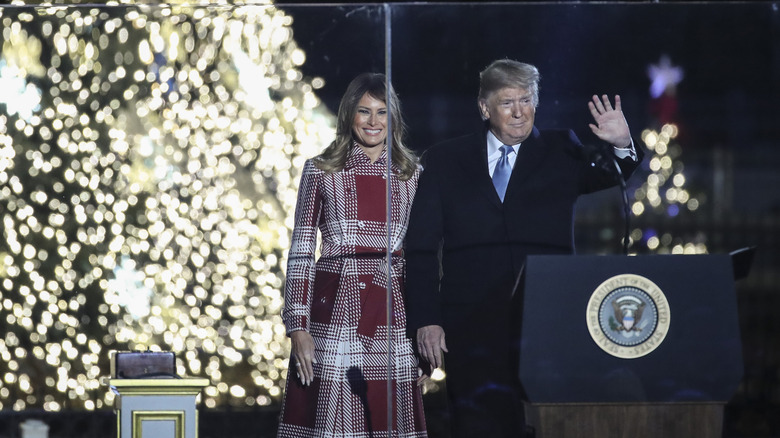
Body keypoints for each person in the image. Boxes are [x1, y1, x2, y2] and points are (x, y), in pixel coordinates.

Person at [404, 59, 644, 437]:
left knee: (546, 426)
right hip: (469, 328)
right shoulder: (445, 160)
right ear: (484, 108)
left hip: (546, 323)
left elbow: (611, 174)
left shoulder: (562, 148)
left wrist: (622, 145)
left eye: (526, 100)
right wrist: (425, 320)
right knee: (477, 427)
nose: (519, 112)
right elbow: (419, 248)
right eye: (507, 102)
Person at [277, 73, 428, 438]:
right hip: (335, 308)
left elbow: (424, 257)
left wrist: (424, 329)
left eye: (381, 112)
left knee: (388, 419)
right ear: (349, 115)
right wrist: (297, 326)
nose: (373, 122)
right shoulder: (321, 169)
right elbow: (301, 250)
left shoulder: (412, 174)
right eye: (364, 111)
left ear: (393, 118)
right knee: (335, 421)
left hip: (393, 308)